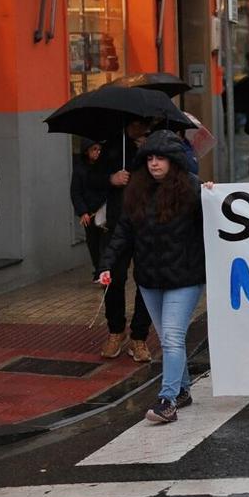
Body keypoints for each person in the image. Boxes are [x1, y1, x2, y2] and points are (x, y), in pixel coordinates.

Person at [99, 131, 204, 423]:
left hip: (185, 278)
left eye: (160, 158)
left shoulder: (193, 189)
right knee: (168, 338)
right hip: (149, 278)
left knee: (171, 337)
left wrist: (212, 195)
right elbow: (122, 233)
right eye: (150, 158)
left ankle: (166, 400)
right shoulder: (136, 192)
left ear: (174, 161)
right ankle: (182, 390)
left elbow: (217, 223)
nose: (154, 164)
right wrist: (106, 264)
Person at [90, 120, 153, 362]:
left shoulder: (154, 144)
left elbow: (177, 171)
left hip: (148, 224)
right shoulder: (113, 147)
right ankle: (116, 331)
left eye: (148, 123)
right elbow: (92, 179)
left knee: (146, 280)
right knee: (113, 278)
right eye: (139, 123)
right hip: (118, 224)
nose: (144, 127)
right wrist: (111, 179)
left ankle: (139, 337)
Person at [71, 139, 107, 283]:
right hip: (89, 213)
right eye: (94, 149)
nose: (97, 152)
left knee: (105, 242)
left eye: (99, 149)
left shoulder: (103, 167)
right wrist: (83, 212)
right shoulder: (80, 170)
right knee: (93, 243)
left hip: (104, 210)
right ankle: (98, 268)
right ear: (87, 151)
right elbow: (76, 192)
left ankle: (103, 270)